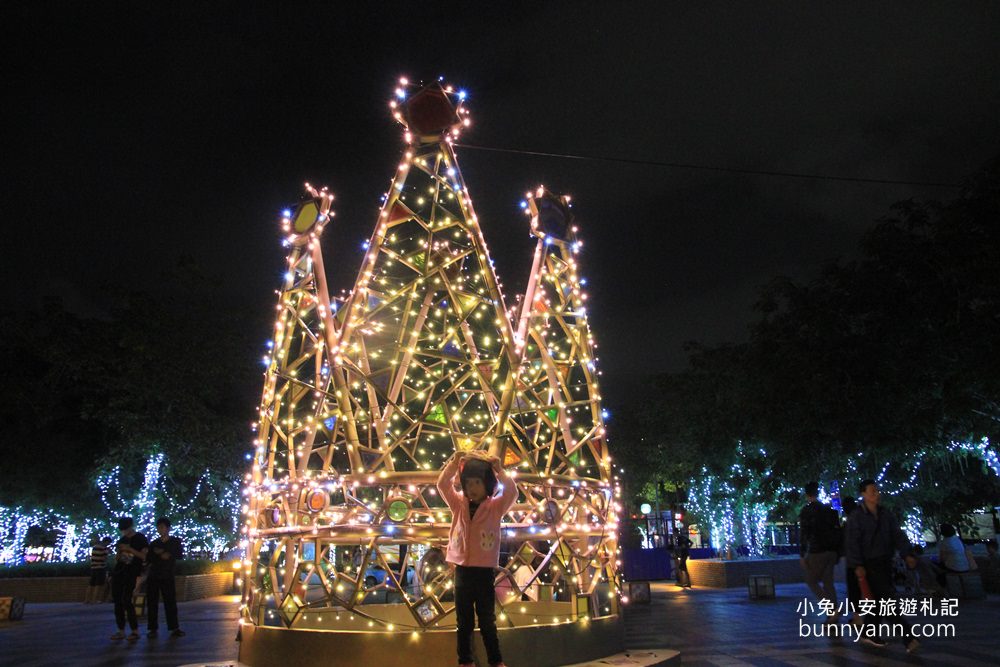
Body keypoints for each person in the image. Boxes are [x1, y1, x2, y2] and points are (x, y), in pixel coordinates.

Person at [437, 450, 518, 667]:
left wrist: (499, 470)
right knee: (463, 622)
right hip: (462, 570)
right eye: (468, 483)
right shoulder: (458, 504)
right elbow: (443, 485)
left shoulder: (495, 507)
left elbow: (512, 492)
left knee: (487, 622)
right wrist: (454, 463)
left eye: (477, 483)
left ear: (487, 484)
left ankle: (496, 661)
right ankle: (465, 661)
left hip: (484, 572)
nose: (472, 488)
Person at [844, 479, 919, 653]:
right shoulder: (857, 517)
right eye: (872, 491)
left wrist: (907, 553)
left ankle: (869, 633)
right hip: (869, 564)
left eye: (877, 491)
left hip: (885, 562)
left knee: (878, 602)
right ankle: (909, 638)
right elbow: (852, 542)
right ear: (863, 494)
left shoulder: (885, 514)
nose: (876, 494)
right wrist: (857, 565)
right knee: (887, 601)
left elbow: (897, 534)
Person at [798, 482, 840, 614]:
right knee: (828, 582)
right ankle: (832, 614)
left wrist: (802, 553)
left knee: (811, 581)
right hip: (832, 550)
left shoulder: (807, 511)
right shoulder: (828, 510)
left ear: (807, 495)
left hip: (817, 550)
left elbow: (805, 533)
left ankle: (831, 609)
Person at [110, 517, 149, 641]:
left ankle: (134, 630)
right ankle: (121, 630)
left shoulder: (140, 538)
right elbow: (118, 557)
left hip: (132, 573)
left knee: (127, 600)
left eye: (125, 529)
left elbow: (144, 556)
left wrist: (130, 549)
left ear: (131, 527)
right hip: (119, 571)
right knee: (117, 601)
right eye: (122, 530)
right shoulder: (122, 540)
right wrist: (119, 554)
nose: (124, 532)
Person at [146, 516, 185, 637]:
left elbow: (179, 555)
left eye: (162, 527)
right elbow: (149, 559)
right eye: (158, 527)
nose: (160, 529)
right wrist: (158, 554)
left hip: (167, 575)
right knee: (152, 602)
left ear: (168, 528)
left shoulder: (174, 542)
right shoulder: (154, 543)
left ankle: (174, 627)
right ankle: (152, 629)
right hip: (154, 575)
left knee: (170, 602)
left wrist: (167, 554)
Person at [839, 496, 861, 624]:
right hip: (864, 559)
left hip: (854, 561)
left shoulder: (851, 521)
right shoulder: (862, 516)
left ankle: (858, 618)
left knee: (854, 590)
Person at [84, 534, 109, 604]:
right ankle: (94, 600)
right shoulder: (104, 548)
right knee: (98, 584)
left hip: (93, 567)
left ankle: (87, 599)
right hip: (100, 567)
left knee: (91, 584)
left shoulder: (94, 547)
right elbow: (105, 558)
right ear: (106, 542)